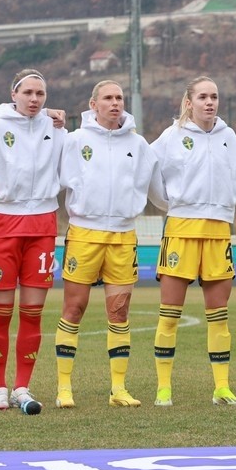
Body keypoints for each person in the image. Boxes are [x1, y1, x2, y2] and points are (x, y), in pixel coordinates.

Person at [53, 80, 160, 409]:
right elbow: (49, 174)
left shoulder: (138, 145)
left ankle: (118, 388)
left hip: (123, 236)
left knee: (119, 312)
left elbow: (157, 189)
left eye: (119, 98)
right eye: (108, 98)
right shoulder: (75, 140)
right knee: (74, 308)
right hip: (85, 233)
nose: (115, 103)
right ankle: (64, 388)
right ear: (93, 104)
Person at [149, 76, 236, 407]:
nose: (210, 102)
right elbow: (150, 172)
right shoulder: (171, 136)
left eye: (214, 97)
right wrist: (171, 204)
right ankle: (164, 388)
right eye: (203, 97)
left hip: (218, 231)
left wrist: (223, 204)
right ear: (189, 102)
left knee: (219, 314)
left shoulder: (228, 136)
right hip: (181, 230)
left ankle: (222, 388)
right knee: (170, 314)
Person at [0, 68, 66, 413]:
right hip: (3, 221)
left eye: (40, 94)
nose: (34, 99)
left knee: (32, 312)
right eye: (27, 92)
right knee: (0, 312)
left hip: (43, 223)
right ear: (13, 94)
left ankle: (21, 387)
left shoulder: (55, 128)